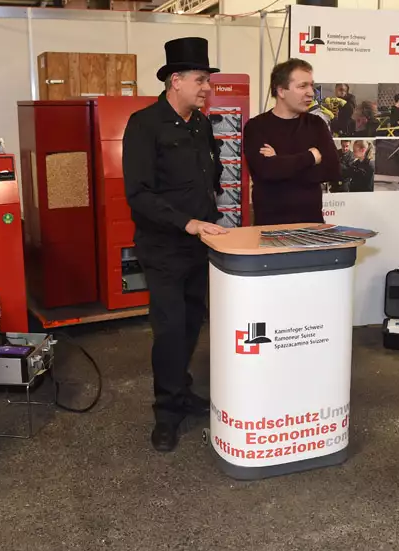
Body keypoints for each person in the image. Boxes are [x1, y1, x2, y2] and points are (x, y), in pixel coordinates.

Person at [122, 37, 228, 452]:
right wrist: (187, 222)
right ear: (176, 81)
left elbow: (208, 179)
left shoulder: (201, 125)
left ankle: (180, 391)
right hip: (163, 247)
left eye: (208, 80)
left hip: (199, 245)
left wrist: (209, 220)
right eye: (200, 80)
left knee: (190, 323)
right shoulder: (144, 125)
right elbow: (139, 194)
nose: (207, 88)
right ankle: (166, 412)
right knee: (168, 329)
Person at [243, 58, 341, 225]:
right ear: (281, 91)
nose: (311, 92)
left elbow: (332, 170)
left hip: (311, 227)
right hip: (271, 228)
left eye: (311, 85)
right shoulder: (256, 127)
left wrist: (279, 161)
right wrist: (310, 157)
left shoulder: (316, 124)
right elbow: (266, 171)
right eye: (302, 86)